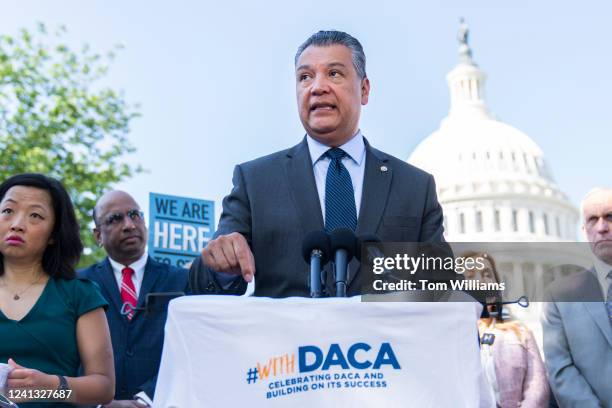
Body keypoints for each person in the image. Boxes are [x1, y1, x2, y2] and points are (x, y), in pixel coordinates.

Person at [190, 30, 445, 297]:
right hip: (287, 338)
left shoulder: (415, 187)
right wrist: (220, 264)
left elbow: (441, 287)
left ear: (364, 89)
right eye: (305, 77)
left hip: (384, 338)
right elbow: (200, 285)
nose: (317, 87)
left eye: (334, 73)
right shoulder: (254, 181)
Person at [0, 173, 114, 407]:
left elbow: (103, 389)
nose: (17, 224)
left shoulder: (80, 293)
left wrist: (51, 387)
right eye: (8, 211)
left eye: (35, 215)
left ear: (53, 234)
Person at [79, 191, 189, 408]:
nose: (129, 224)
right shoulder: (77, 284)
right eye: (115, 219)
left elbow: (191, 350)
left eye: (134, 215)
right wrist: (99, 403)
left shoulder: (183, 281)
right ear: (98, 235)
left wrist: (146, 400)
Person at [542, 187, 612, 406]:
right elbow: (561, 368)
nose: (602, 227)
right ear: (584, 231)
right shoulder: (559, 297)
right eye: (593, 220)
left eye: (610, 216)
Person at [463, 251, 549, 407]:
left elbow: (538, 388)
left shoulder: (520, 332)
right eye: (469, 276)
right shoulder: (453, 338)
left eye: (487, 274)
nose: (480, 282)